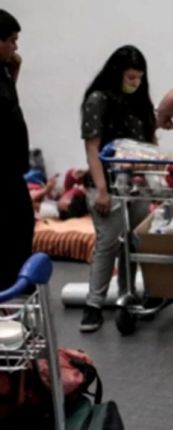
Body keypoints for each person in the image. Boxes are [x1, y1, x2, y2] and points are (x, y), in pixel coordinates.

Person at [79, 45, 157, 332]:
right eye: (130, 77)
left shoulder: (139, 102)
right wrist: (102, 190)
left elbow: (148, 144)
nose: (135, 83)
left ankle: (127, 296)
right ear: (117, 73)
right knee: (108, 242)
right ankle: (93, 304)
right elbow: (92, 147)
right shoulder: (98, 100)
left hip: (137, 185)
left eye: (139, 78)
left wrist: (153, 182)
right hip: (108, 184)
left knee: (133, 243)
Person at [0, 10, 34, 289]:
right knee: (11, 225)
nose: (15, 47)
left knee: (22, 222)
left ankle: (18, 280)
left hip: (12, 167)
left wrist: (14, 72)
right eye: (11, 40)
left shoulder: (4, 71)